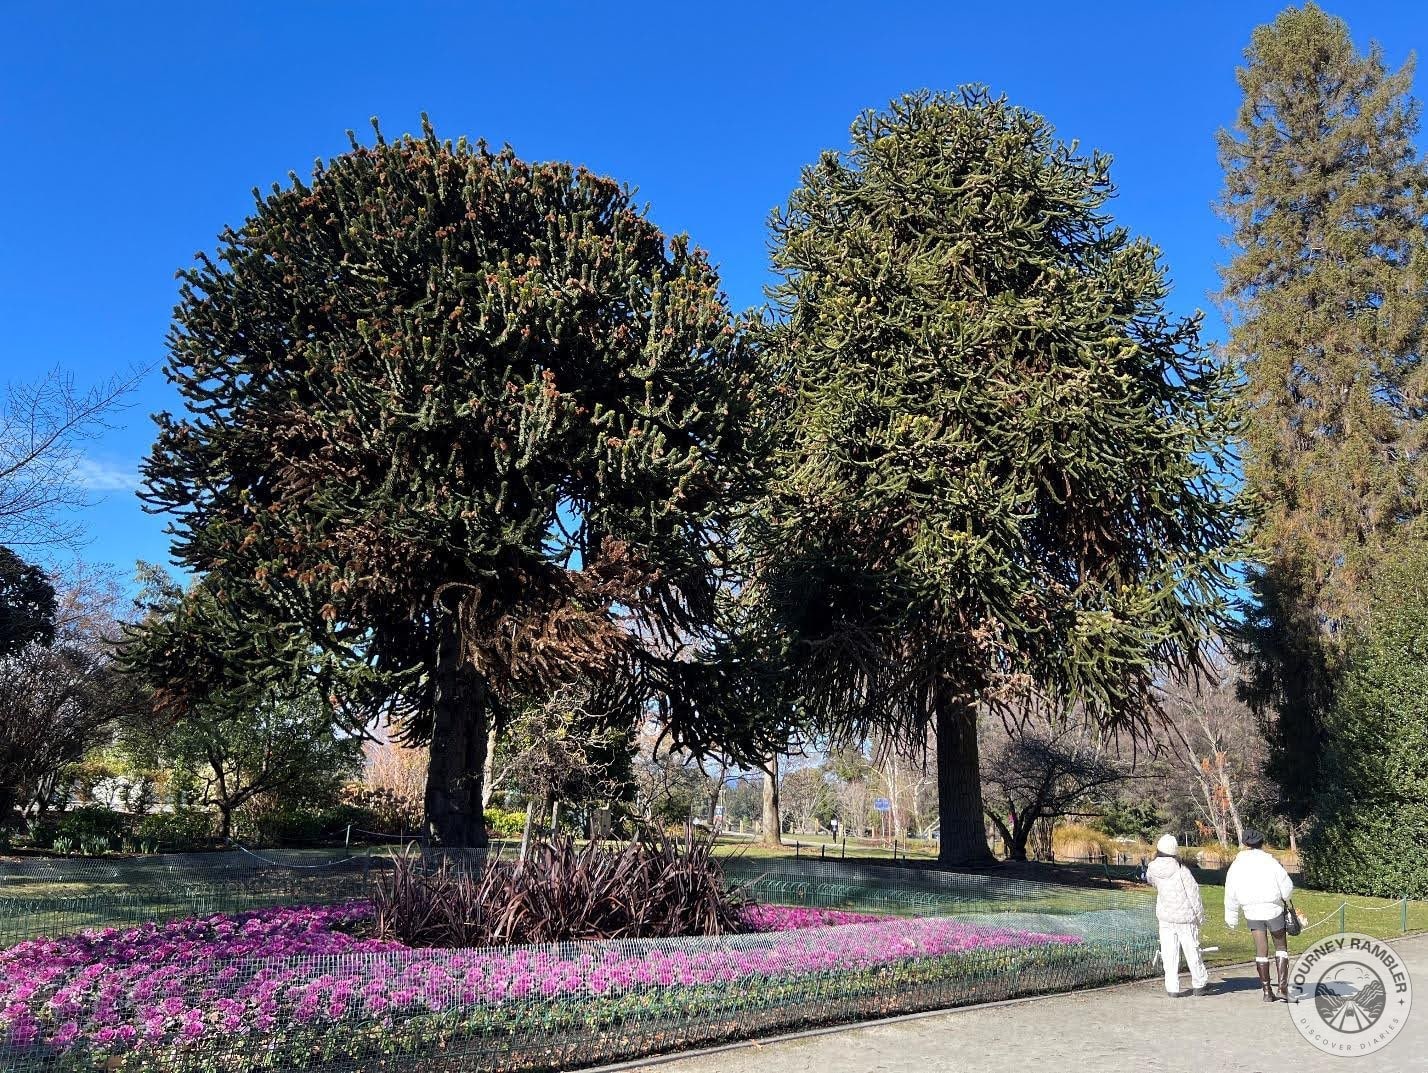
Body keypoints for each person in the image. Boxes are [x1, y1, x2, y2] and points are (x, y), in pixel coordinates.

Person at [1223, 828, 1295, 1001]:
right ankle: (1283, 989)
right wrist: (1285, 897)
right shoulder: (1270, 862)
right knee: (1281, 948)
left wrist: (1231, 916)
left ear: (1246, 844)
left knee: (1261, 950)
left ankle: (1266, 991)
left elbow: (1230, 891)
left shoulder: (1237, 865)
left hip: (1252, 911)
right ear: (1262, 843)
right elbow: (1287, 886)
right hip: (1273, 909)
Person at [1145, 833, 1209, 997]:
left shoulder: (1152, 868)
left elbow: (1152, 882)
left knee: (1169, 952)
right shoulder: (1182, 871)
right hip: (1185, 917)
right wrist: (1199, 916)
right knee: (1191, 949)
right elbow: (1194, 895)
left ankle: (1172, 986)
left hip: (1165, 916)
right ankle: (1199, 982)